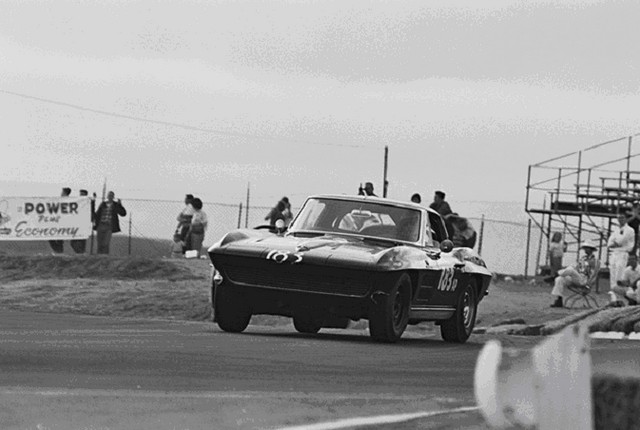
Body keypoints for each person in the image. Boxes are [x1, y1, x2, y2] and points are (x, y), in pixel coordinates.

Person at [550, 241, 600, 308]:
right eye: (584, 248)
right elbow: (576, 268)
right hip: (577, 278)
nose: (585, 250)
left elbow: (594, 274)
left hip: (585, 280)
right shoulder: (583, 258)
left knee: (571, 269)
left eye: (586, 248)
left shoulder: (595, 261)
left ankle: (554, 275)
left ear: (591, 249)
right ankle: (559, 300)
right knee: (560, 279)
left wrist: (588, 286)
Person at [607, 213, 636, 291]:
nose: (620, 219)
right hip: (614, 253)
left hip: (623, 252)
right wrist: (612, 244)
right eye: (619, 218)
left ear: (626, 219)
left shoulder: (630, 230)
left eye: (622, 218)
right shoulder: (616, 229)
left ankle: (619, 290)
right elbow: (609, 242)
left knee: (619, 272)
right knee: (612, 271)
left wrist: (615, 243)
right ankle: (613, 290)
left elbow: (622, 240)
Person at [93, 191, 127, 255]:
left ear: (113, 197)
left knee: (105, 243)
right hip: (100, 225)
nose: (110, 197)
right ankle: (99, 257)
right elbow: (97, 214)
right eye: (109, 195)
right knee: (99, 242)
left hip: (109, 226)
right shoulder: (103, 204)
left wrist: (120, 205)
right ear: (107, 196)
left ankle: (105, 256)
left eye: (111, 196)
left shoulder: (115, 205)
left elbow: (123, 213)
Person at [49, 187, 71, 254]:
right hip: (58, 221)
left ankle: (59, 251)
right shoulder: (60, 200)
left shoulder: (68, 201)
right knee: (53, 237)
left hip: (63, 222)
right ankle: (58, 251)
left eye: (62, 192)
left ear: (64, 193)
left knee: (59, 238)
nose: (61, 194)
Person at [70, 189, 91, 254]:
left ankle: (81, 253)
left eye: (82, 194)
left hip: (83, 224)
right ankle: (80, 253)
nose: (81, 195)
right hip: (76, 224)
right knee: (73, 242)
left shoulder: (88, 202)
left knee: (81, 241)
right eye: (80, 194)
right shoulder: (77, 202)